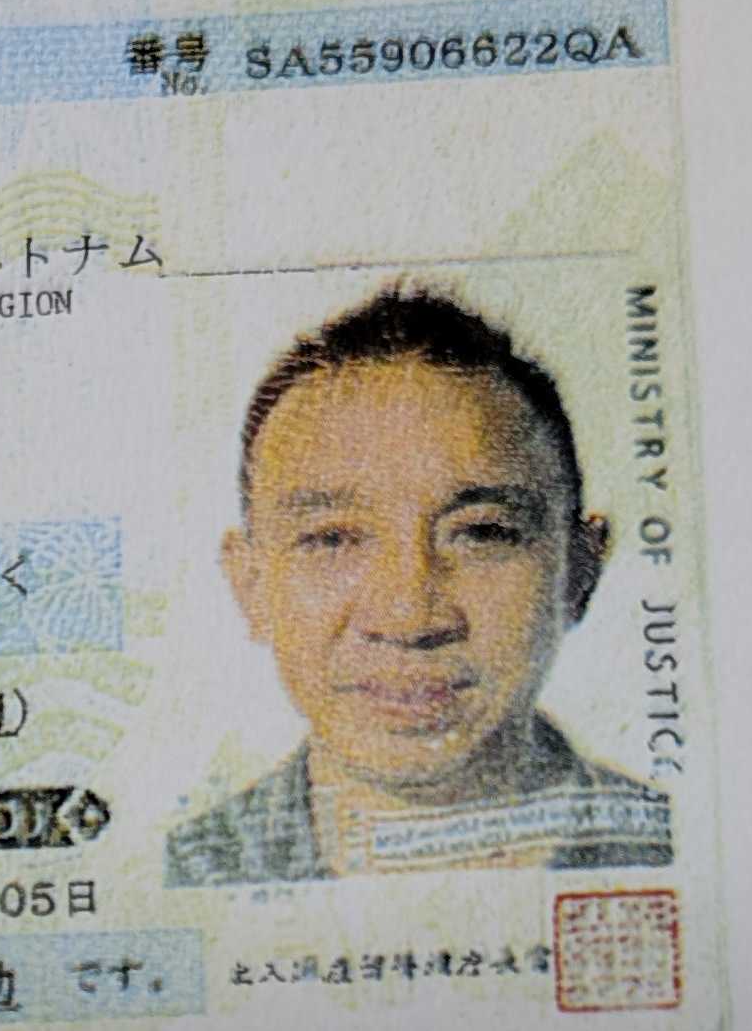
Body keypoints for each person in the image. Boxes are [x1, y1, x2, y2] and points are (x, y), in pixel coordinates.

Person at [166, 287, 671, 885]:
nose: (408, 617)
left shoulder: (679, 846)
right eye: (332, 539)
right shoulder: (180, 874)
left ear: (579, 572)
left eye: (481, 533)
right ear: (250, 586)